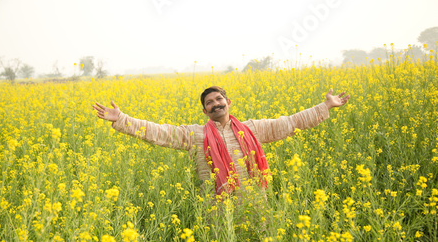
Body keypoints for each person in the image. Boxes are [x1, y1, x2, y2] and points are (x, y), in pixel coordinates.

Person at [92, 86, 350, 197]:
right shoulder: (196, 135)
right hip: (217, 204)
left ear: (228, 103)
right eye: (209, 103)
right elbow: (158, 132)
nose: (215, 104)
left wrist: (325, 105)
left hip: (254, 199)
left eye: (218, 99)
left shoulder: (252, 129)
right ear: (204, 111)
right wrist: (122, 119)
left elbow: (291, 122)